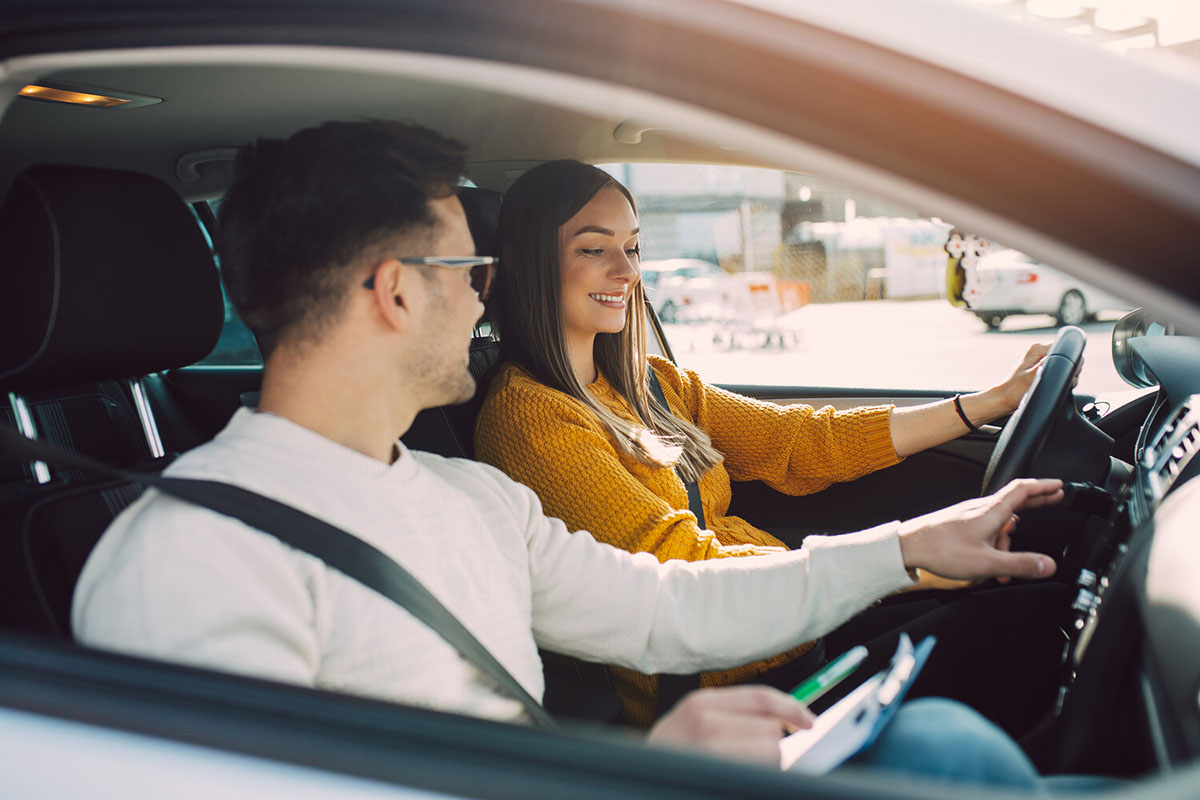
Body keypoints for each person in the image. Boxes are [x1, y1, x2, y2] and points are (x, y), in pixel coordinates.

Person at [71, 120, 1062, 787]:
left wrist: (907, 546)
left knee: (943, 745)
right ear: (395, 290)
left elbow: (668, 604)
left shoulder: (467, 499)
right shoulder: (187, 560)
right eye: (470, 269)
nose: (484, 297)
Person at [474, 159, 1060, 730]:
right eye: (593, 249)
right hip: (721, 692)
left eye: (633, 247)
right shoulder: (531, 418)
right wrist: (896, 563)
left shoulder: (652, 381)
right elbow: (682, 577)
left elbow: (802, 443)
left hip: (786, 634)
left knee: (1028, 603)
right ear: (534, 264)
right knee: (1018, 626)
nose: (627, 271)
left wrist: (982, 405)